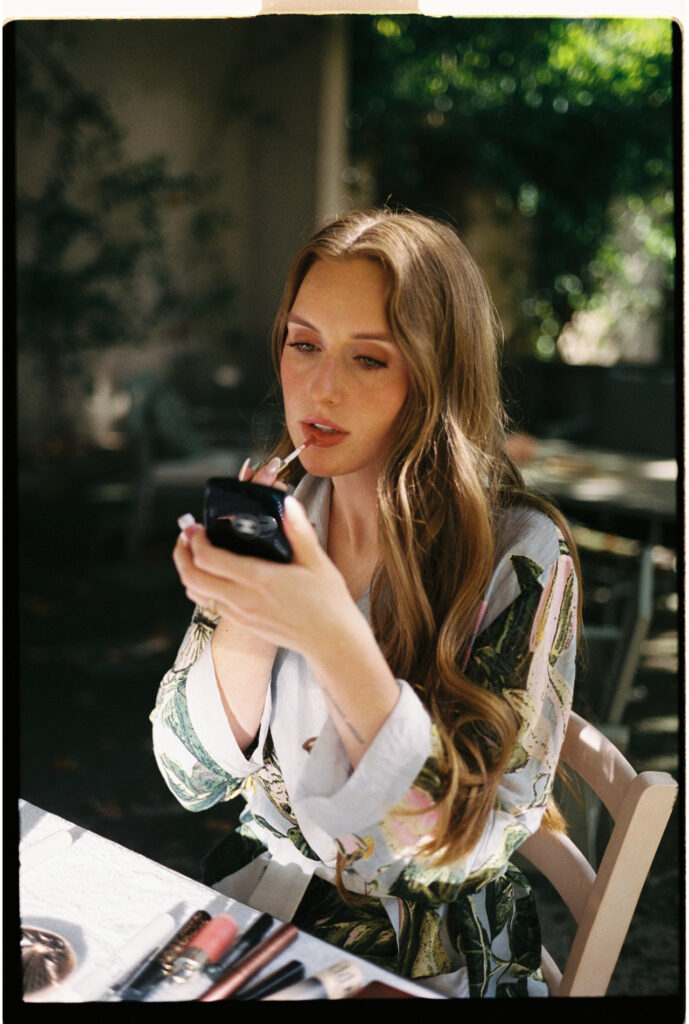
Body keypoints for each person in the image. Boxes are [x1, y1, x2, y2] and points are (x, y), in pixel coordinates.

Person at [151, 208, 580, 998]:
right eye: (303, 343)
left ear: (436, 374)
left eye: (370, 359)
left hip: (431, 958)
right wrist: (248, 615)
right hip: (261, 918)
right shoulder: (276, 513)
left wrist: (327, 632)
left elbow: (460, 850)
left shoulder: (520, 551)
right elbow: (189, 778)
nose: (320, 385)